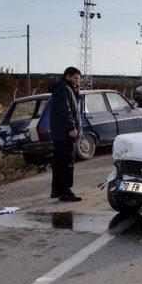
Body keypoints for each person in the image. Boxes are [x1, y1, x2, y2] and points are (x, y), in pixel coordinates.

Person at [49, 66, 83, 202]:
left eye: (78, 79)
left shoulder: (64, 89)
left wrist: (76, 92)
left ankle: (56, 190)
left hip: (59, 133)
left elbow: (72, 106)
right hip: (65, 133)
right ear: (67, 76)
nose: (77, 81)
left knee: (58, 162)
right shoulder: (63, 89)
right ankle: (65, 192)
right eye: (75, 78)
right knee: (67, 162)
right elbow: (65, 110)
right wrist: (71, 127)